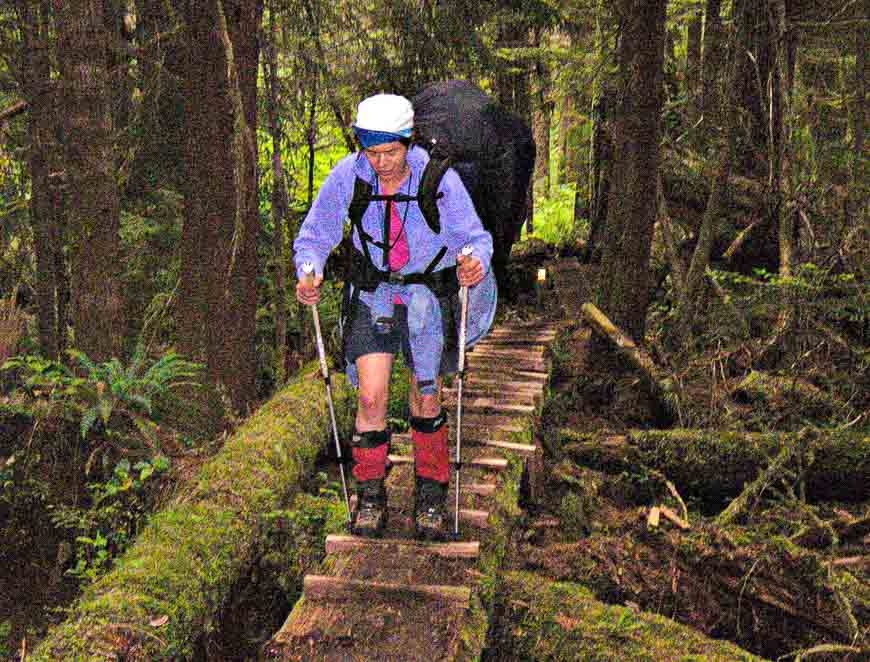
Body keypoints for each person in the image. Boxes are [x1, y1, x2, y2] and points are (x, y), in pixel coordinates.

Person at [294, 93, 497, 540]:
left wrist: (473, 261)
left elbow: (474, 237)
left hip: (427, 298)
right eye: (372, 152)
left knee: (426, 398)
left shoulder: (437, 179)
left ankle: (430, 499)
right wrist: (309, 268)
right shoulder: (349, 177)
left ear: (408, 141)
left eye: (390, 152)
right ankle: (370, 498)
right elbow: (316, 232)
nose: (381, 162)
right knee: (370, 397)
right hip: (372, 296)